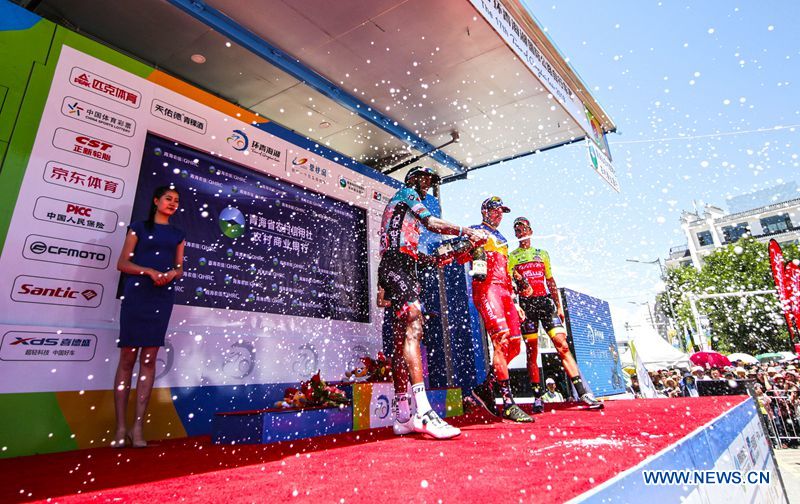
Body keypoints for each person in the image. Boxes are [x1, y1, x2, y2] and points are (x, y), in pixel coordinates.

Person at [378, 166, 485, 439]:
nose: (427, 185)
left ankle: (403, 416)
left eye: (430, 181)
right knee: (414, 324)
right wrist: (466, 232)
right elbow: (431, 223)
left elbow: (409, 251)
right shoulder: (407, 193)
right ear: (412, 180)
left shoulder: (405, 212)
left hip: (402, 265)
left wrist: (441, 258)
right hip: (397, 266)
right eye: (424, 179)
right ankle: (424, 412)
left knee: (401, 337)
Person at [113, 185, 185, 448]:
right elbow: (122, 263)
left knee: (149, 358)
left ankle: (138, 427)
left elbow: (180, 267)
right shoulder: (138, 228)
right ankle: (120, 428)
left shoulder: (178, 234)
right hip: (137, 294)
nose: (172, 203)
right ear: (156, 201)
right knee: (127, 356)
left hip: (162, 296)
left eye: (176, 200)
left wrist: (171, 274)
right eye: (168, 198)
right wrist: (149, 272)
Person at [508, 216, 603, 412]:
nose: (520, 232)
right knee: (532, 351)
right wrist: (516, 303)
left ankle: (584, 393)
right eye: (517, 230)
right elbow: (510, 285)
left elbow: (550, 280)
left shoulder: (542, 253)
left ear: (530, 231)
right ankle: (537, 398)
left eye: (523, 228)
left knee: (562, 345)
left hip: (545, 303)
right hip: (527, 306)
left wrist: (558, 306)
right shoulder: (512, 256)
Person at [466, 197, 534, 423]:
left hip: (505, 292)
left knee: (515, 345)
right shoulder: (475, 230)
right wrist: (471, 244)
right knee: (501, 339)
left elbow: (506, 271)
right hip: (487, 289)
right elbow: (461, 256)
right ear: (484, 211)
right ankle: (507, 403)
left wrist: (515, 301)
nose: (499, 215)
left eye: (501, 212)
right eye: (495, 210)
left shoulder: (503, 239)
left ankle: (485, 388)